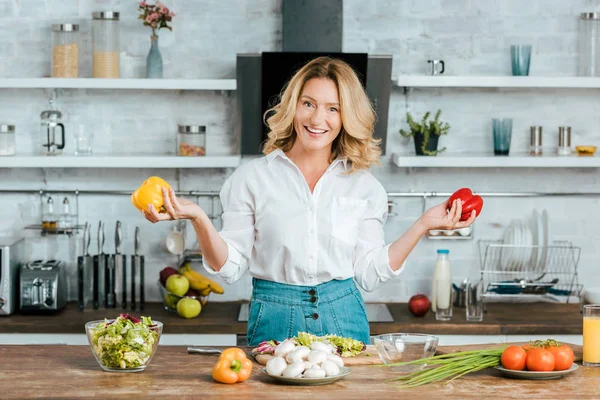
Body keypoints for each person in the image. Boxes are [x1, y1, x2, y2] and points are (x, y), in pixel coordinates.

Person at [143, 56, 477, 346]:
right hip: (274, 316)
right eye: (309, 104)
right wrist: (199, 218)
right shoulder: (251, 179)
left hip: (344, 316)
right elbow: (229, 267)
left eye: (333, 108)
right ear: (293, 107)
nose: (318, 119)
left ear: (346, 117)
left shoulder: (365, 187)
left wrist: (423, 225)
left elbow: (369, 274)